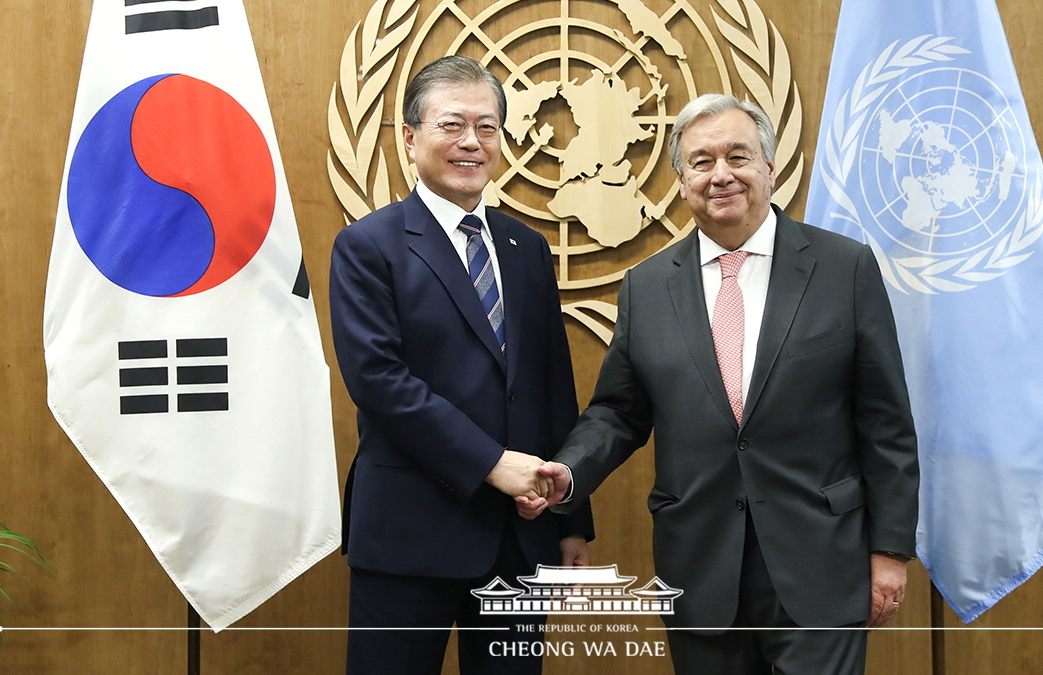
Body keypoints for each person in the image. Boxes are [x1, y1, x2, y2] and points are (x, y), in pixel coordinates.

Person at [519, 94, 919, 675]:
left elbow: (887, 423)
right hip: (701, 566)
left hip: (820, 563)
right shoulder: (646, 286)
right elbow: (617, 413)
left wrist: (889, 552)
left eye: (738, 156)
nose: (721, 174)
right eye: (702, 162)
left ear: (769, 169)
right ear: (681, 181)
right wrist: (570, 473)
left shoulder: (845, 268)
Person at [329, 55, 594, 675]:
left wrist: (570, 519)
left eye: (488, 127)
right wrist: (491, 464)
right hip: (408, 533)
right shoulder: (368, 245)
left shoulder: (525, 247)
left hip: (519, 540)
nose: (471, 142)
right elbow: (380, 382)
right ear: (411, 137)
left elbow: (553, 388)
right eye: (452, 125)